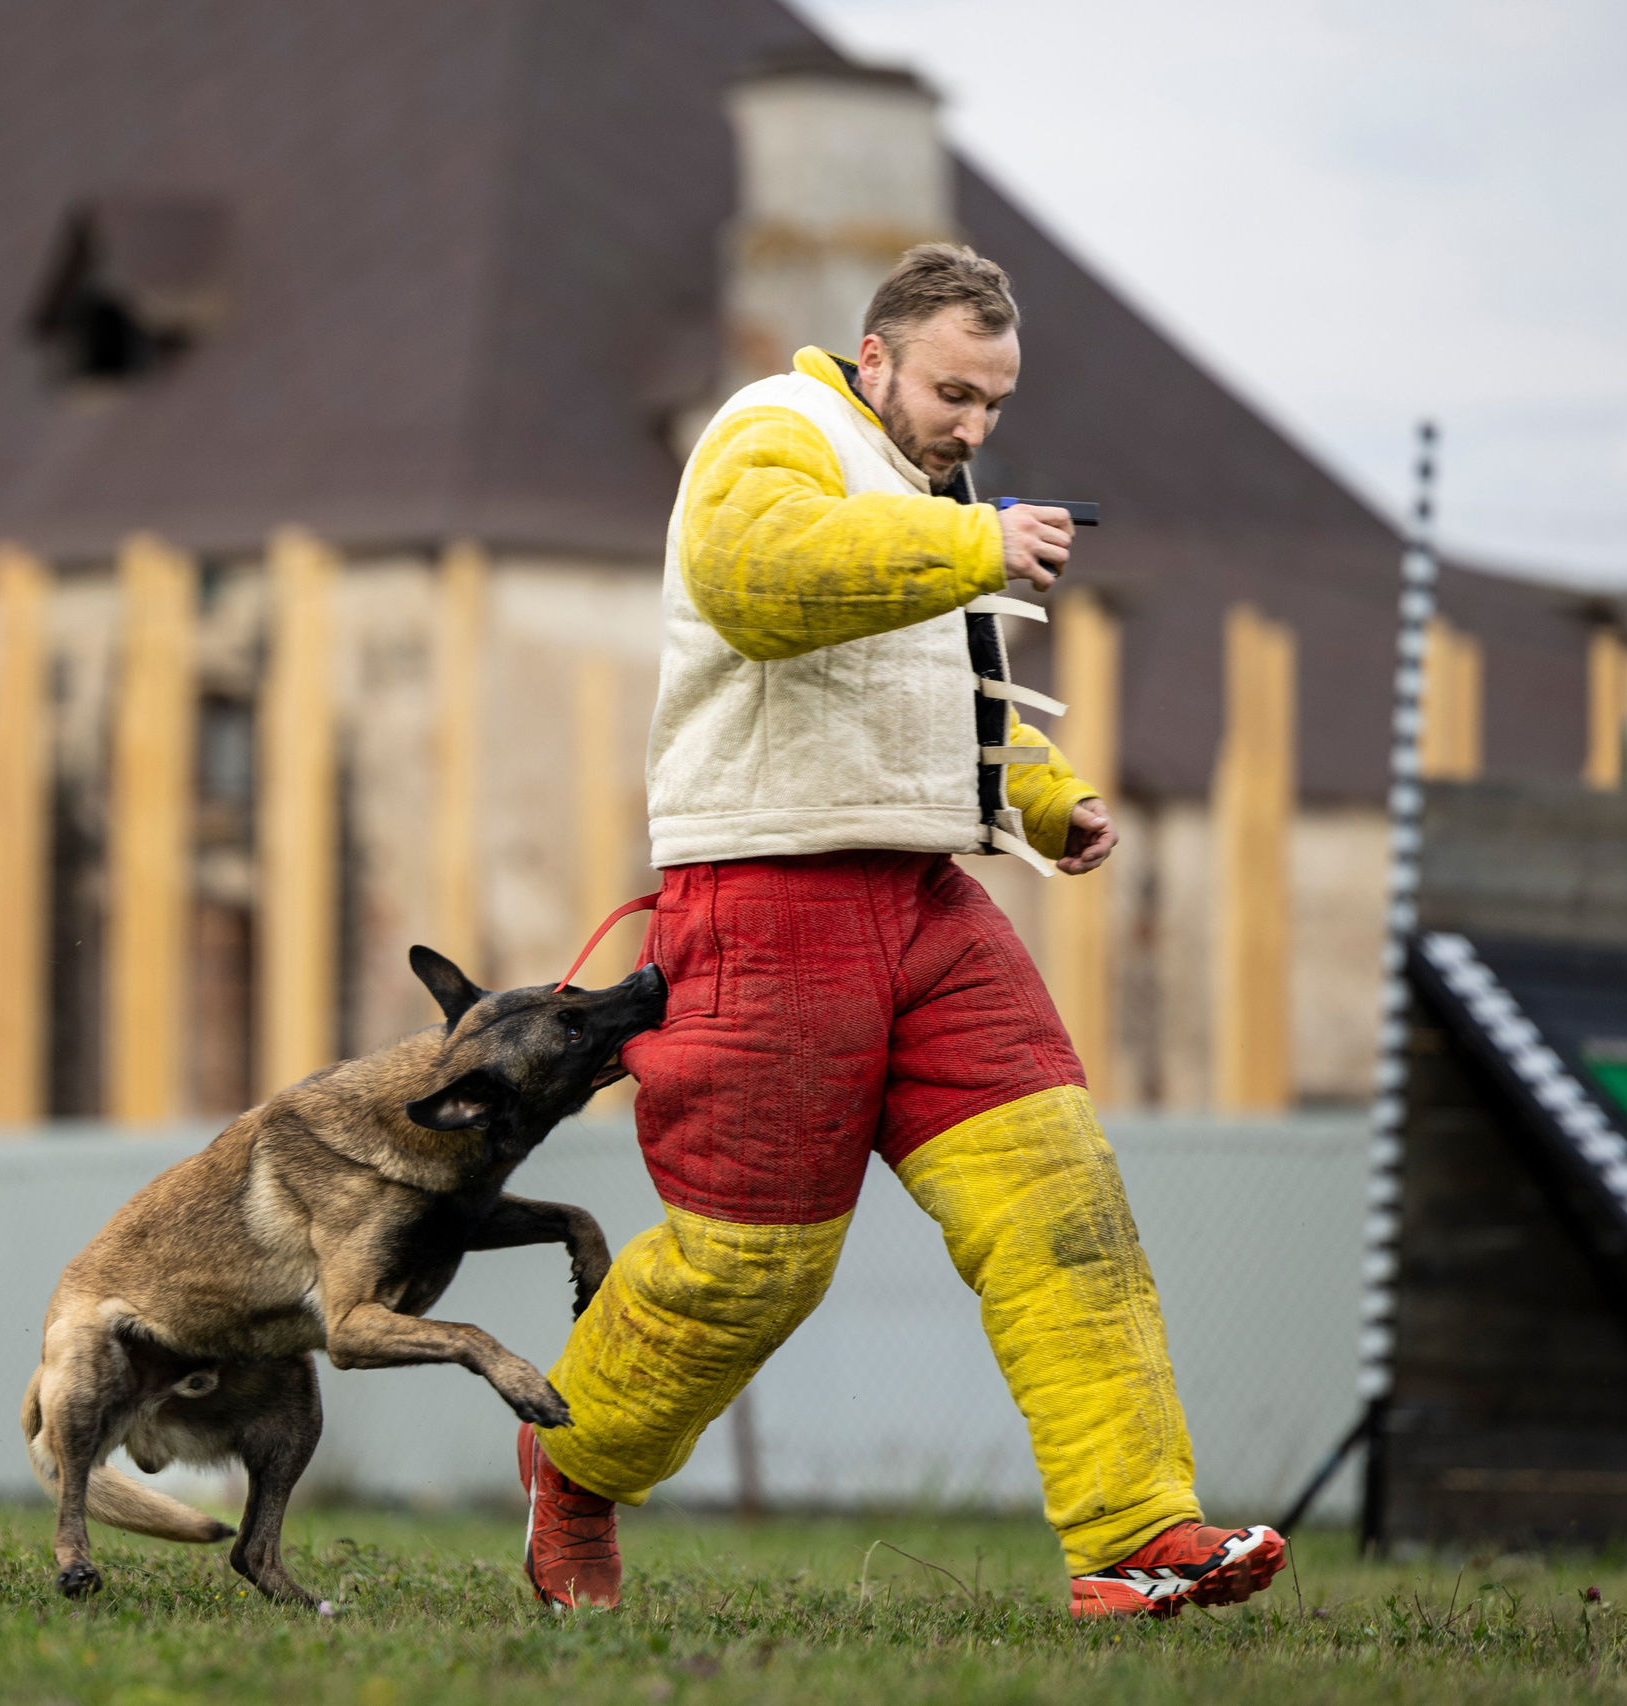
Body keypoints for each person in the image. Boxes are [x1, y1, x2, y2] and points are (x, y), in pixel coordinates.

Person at [517, 245, 1289, 1619]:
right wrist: (978, 543)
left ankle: (1136, 1532)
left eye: (994, 403)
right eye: (953, 392)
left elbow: (931, 699)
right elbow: (761, 582)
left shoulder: (933, 492)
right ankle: (571, 1462)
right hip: (765, 901)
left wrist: (1051, 799)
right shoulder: (774, 430)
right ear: (872, 357)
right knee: (748, 1275)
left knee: (1064, 1199)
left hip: (929, 901)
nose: (974, 428)